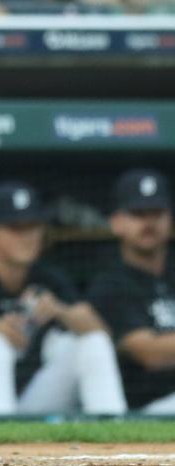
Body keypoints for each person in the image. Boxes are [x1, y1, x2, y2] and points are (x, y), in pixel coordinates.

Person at [0, 181, 125, 416]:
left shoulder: (49, 279)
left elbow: (102, 335)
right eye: (16, 228)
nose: (27, 237)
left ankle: (114, 433)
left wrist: (60, 311)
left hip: (27, 402)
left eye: (33, 226)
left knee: (91, 343)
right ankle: (3, 441)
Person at [88, 170, 175, 414]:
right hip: (145, 409)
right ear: (117, 222)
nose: (149, 223)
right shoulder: (109, 284)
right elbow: (148, 353)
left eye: (156, 213)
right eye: (138, 214)